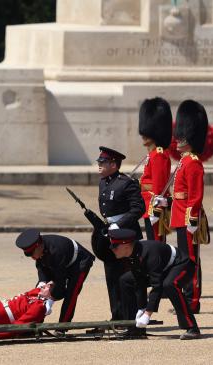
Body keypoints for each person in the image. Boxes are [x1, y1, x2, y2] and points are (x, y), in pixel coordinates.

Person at [110, 229, 201, 340]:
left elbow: (157, 285)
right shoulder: (131, 253)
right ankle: (135, 328)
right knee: (126, 280)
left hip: (182, 264)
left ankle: (192, 328)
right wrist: (141, 308)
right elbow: (139, 282)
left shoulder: (149, 253)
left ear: (126, 246)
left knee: (169, 284)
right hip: (163, 268)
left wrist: (148, 314)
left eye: (115, 247)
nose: (112, 249)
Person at [168, 100, 209, 314]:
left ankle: (192, 300)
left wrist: (192, 219)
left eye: (181, 137)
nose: (177, 140)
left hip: (188, 218)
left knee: (190, 260)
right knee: (184, 259)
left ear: (190, 138)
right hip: (179, 215)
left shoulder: (193, 163)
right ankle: (185, 297)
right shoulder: (184, 161)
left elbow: (196, 195)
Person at [96, 146, 144, 322]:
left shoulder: (126, 183)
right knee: (112, 278)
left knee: (127, 278)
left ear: (114, 164)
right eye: (99, 161)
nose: (99, 165)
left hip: (126, 236)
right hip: (110, 235)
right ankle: (116, 315)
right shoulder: (103, 182)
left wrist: (120, 224)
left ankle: (130, 316)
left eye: (103, 162)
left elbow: (138, 209)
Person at [15, 229, 94, 323]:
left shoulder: (56, 251)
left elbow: (60, 282)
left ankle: (63, 327)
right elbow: (41, 268)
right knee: (40, 292)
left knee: (71, 293)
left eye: (32, 253)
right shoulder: (39, 247)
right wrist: (41, 285)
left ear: (38, 246)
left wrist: (51, 298)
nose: (31, 257)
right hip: (61, 263)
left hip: (79, 262)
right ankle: (35, 323)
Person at [138, 97, 172, 242]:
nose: (143, 136)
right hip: (147, 207)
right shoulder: (153, 154)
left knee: (157, 247)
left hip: (153, 208)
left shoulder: (159, 155)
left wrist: (156, 211)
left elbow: (160, 188)